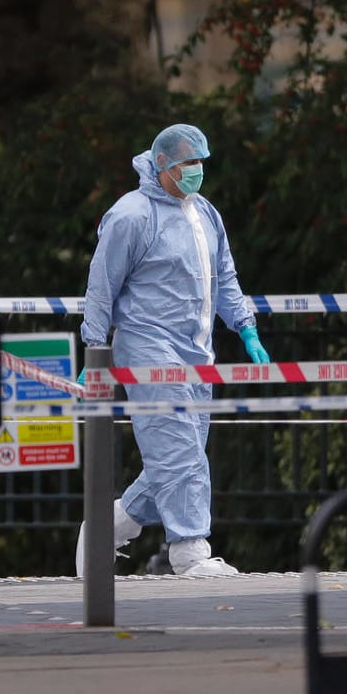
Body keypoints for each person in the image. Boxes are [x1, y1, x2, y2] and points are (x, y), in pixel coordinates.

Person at [75, 124, 269, 579]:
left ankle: (107, 525)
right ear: (162, 164)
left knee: (181, 451)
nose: (196, 171)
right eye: (187, 163)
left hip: (196, 350)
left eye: (200, 162)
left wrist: (246, 328)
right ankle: (189, 551)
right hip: (147, 346)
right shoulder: (132, 216)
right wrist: (95, 348)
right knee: (179, 450)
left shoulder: (204, 213)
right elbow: (101, 288)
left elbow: (224, 275)